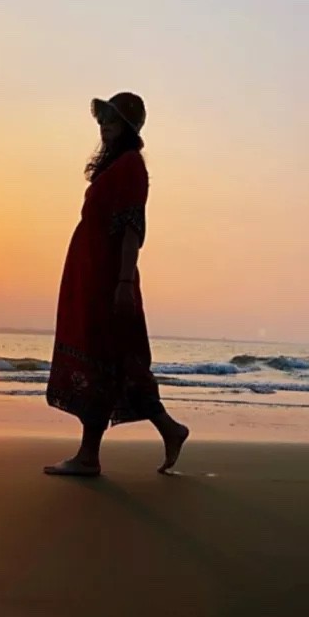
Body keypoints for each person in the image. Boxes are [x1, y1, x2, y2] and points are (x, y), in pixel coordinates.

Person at [44, 92, 189, 477]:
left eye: (112, 120)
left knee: (108, 356)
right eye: (102, 120)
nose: (104, 126)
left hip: (108, 276)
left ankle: (90, 456)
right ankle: (165, 431)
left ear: (127, 126)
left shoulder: (130, 167)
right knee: (111, 357)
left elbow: (131, 229)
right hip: (91, 274)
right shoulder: (114, 168)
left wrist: (124, 281)